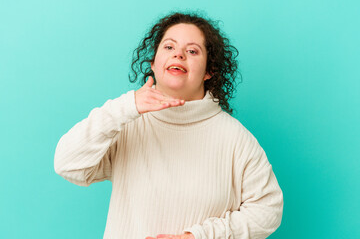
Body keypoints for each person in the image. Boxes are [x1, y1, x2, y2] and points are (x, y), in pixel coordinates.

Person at [54, 12, 283, 239]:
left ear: (209, 71)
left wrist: (198, 237)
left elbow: (268, 210)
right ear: (153, 63)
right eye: (169, 47)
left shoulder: (236, 139)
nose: (179, 55)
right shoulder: (126, 122)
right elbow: (68, 164)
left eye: (192, 51)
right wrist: (126, 106)